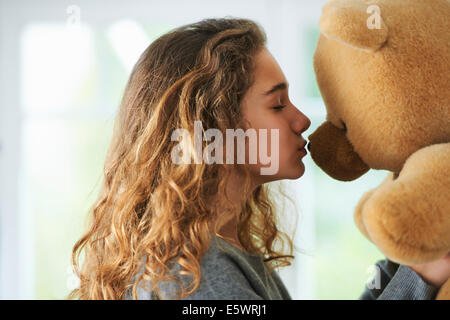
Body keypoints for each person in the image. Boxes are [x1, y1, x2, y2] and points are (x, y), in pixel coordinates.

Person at [69, 17, 448, 300]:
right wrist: (418, 276)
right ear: (214, 124)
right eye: (277, 104)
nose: (301, 120)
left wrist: (404, 265)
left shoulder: (214, 252)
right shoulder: (196, 274)